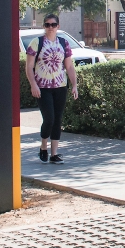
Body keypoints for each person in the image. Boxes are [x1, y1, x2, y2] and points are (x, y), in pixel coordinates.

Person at [25, 14, 78, 164]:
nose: (50, 27)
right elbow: (29, 67)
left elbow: (69, 66)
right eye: (47, 25)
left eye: (53, 25)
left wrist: (74, 85)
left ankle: (54, 154)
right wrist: (33, 84)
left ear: (58, 26)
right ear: (44, 26)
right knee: (49, 118)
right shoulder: (37, 43)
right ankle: (43, 146)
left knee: (57, 120)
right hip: (43, 87)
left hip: (60, 86)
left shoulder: (64, 43)